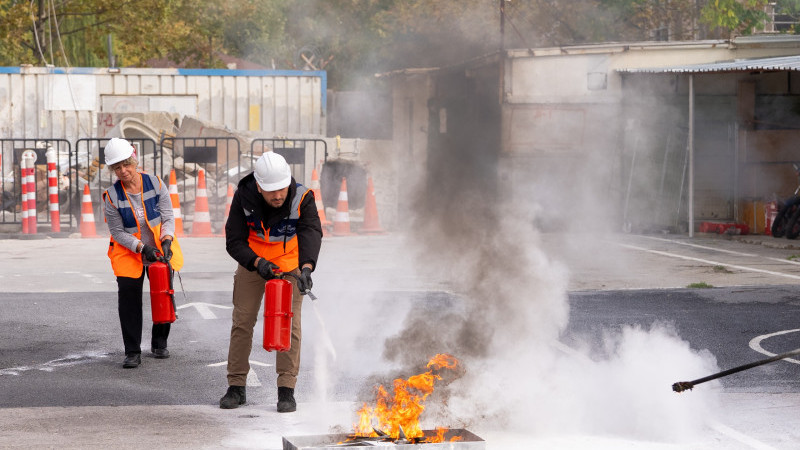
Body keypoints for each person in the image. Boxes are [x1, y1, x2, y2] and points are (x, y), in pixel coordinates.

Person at [219, 151, 322, 412]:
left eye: (282, 189)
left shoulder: (302, 196)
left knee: (289, 324)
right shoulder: (244, 196)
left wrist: (307, 267)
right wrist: (256, 263)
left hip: (290, 265)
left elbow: (311, 231)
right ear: (259, 186)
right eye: (271, 191)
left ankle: (286, 390)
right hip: (254, 262)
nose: (278, 195)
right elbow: (234, 240)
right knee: (242, 322)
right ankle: (236, 387)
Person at [101, 137, 184, 369]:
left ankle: (159, 342)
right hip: (130, 253)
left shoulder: (156, 183)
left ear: (134, 159)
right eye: (117, 167)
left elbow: (168, 216)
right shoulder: (112, 196)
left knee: (163, 293)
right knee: (129, 299)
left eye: (126, 164)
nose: (123, 171)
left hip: (159, 249)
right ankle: (132, 351)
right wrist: (141, 247)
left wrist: (166, 240)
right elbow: (117, 232)